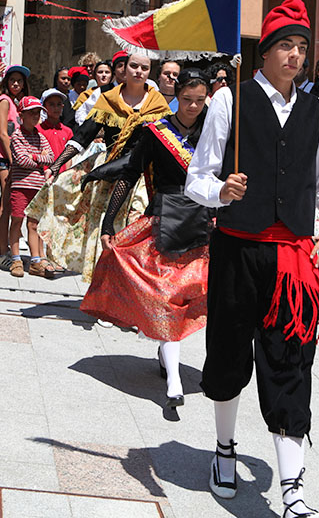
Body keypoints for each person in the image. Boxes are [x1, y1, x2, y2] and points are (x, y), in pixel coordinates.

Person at [185, 0, 319, 518]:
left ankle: (292, 488)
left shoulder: (318, 112)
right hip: (237, 249)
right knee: (229, 355)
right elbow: (197, 179)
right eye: (286, 46)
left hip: (292, 259)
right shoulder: (228, 100)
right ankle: (224, 451)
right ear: (266, 52)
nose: (295, 55)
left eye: (302, 47)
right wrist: (220, 192)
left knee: (291, 364)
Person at [81, 71, 211, 408]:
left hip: (203, 225)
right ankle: (174, 380)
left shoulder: (215, 132)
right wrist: (109, 221)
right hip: (163, 221)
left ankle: (172, 358)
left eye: (200, 100)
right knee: (166, 299)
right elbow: (129, 174)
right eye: (187, 100)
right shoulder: (156, 132)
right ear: (175, 96)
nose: (193, 106)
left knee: (195, 299)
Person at [30, 53, 169, 283]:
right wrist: (56, 166)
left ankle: (128, 288)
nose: (138, 71)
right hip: (110, 171)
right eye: (133, 66)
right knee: (104, 230)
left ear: (149, 72)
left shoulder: (158, 103)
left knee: (135, 226)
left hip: (142, 176)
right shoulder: (108, 99)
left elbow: (166, 142)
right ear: (123, 69)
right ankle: (103, 287)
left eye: (144, 68)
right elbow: (83, 136)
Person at [7, 96, 55, 278]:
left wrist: (33, 156)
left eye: (38, 113)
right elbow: (22, 160)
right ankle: (16, 258)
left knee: (34, 224)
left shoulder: (40, 137)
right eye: (32, 113)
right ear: (22, 115)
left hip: (37, 186)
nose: (36, 116)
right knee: (17, 220)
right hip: (21, 186)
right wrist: (38, 158)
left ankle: (35, 260)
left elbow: (50, 157)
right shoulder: (17, 136)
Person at [0, 65, 30, 270]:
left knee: (9, 202)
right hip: (5, 157)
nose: (16, 84)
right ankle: (2, 250)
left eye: (20, 81)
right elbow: (3, 134)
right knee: (6, 203)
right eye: (12, 80)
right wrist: (13, 159)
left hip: (12, 157)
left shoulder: (14, 102)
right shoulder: (4, 101)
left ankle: (5, 246)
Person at [74, 60, 115, 125]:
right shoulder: (86, 95)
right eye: (100, 72)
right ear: (95, 75)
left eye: (107, 72)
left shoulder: (117, 92)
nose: (104, 75)